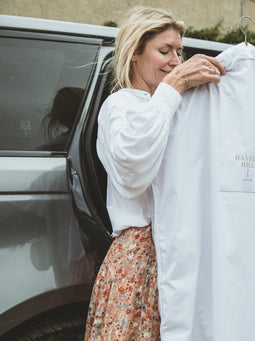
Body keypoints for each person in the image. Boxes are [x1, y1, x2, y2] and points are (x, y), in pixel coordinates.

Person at [84, 6, 225, 340]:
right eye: (164, 51)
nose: (175, 61)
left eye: (179, 51)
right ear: (135, 53)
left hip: (182, 251)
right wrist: (173, 87)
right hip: (143, 258)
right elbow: (133, 172)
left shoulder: (177, 106)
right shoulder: (121, 106)